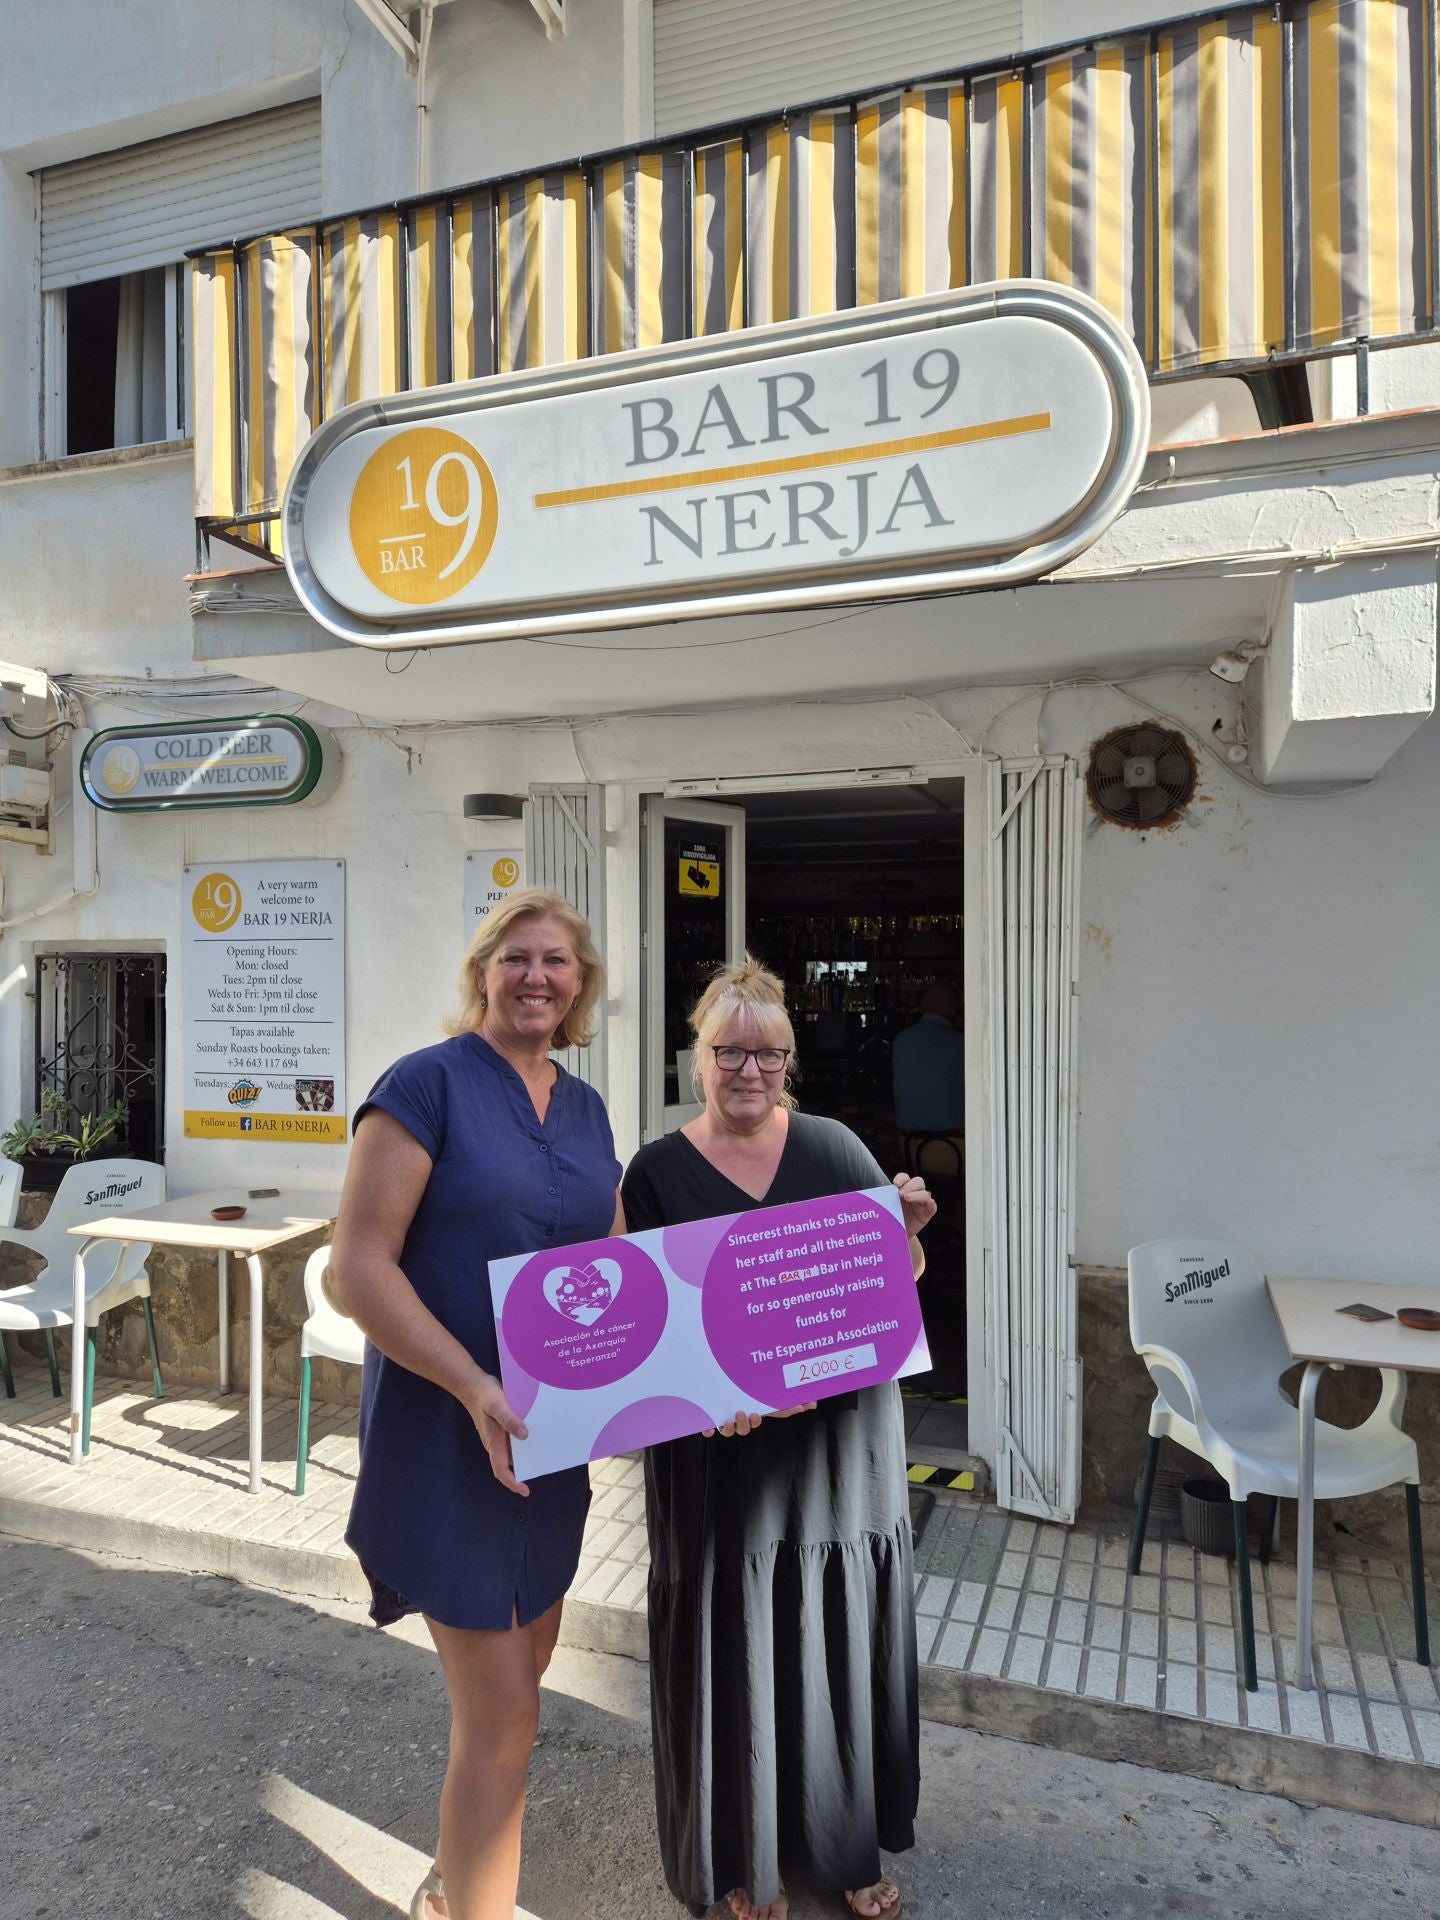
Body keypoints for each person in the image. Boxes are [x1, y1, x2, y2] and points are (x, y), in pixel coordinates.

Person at [328, 887, 622, 1920]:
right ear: (483, 973)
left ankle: (454, 1880)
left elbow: (614, 1265)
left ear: (580, 985)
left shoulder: (587, 1108)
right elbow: (357, 1269)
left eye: (557, 961)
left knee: (518, 1690)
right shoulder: (424, 1085)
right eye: (516, 957)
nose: (536, 976)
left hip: (550, 1443)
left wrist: (687, 1375)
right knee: (504, 1723)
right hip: (448, 1439)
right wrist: (472, 1385)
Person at [621, 957, 935, 1920]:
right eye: (729, 1050)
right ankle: (741, 1864)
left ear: (791, 1059)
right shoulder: (655, 1172)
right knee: (735, 1640)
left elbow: (894, 1284)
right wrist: (705, 1394)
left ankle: (846, 1848)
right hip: (718, 1460)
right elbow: (640, 1331)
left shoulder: (838, 1149)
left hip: (837, 1457)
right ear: (697, 1056)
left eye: (767, 1053)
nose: (748, 1070)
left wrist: (910, 1231)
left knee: (835, 1637)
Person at [891, 981, 965, 1171]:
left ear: (923, 1006)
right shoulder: (961, 1043)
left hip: (911, 1151)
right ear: (953, 1009)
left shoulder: (901, 1040)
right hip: (955, 1151)